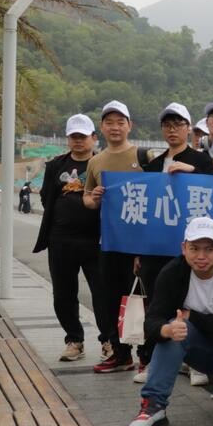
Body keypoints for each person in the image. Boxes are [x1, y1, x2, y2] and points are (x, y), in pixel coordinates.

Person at [124, 217, 213, 426]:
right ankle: (153, 405)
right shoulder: (171, 272)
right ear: (183, 248)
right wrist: (166, 330)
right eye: (194, 248)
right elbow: (153, 319)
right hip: (195, 345)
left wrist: (192, 316)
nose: (201, 256)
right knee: (175, 329)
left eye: (209, 249)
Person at [136, 103, 213, 382]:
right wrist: (138, 251)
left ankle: (195, 363)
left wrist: (193, 171)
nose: (172, 130)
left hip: (191, 248)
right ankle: (151, 359)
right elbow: (144, 210)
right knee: (156, 303)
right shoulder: (152, 165)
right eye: (167, 125)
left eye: (178, 124)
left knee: (192, 302)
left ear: (188, 128)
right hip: (155, 247)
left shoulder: (202, 161)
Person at [35, 113, 102, 363]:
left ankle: (108, 340)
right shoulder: (55, 166)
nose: (78, 140)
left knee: (102, 293)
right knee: (63, 294)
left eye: (83, 136)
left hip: (96, 240)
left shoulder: (102, 163)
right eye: (74, 136)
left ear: (93, 138)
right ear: (68, 139)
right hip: (61, 239)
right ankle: (74, 340)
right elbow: (46, 196)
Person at [82, 100, 143, 373]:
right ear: (102, 127)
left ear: (130, 125)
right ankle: (120, 354)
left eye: (120, 122)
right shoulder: (96, 161)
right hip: (109, 240)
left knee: (139, 298)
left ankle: (145, 355)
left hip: (140, 242)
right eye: (109, 122)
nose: (115, 127)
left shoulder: (143, 156)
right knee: (110, 297)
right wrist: (93, 199)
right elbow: (86, 198)